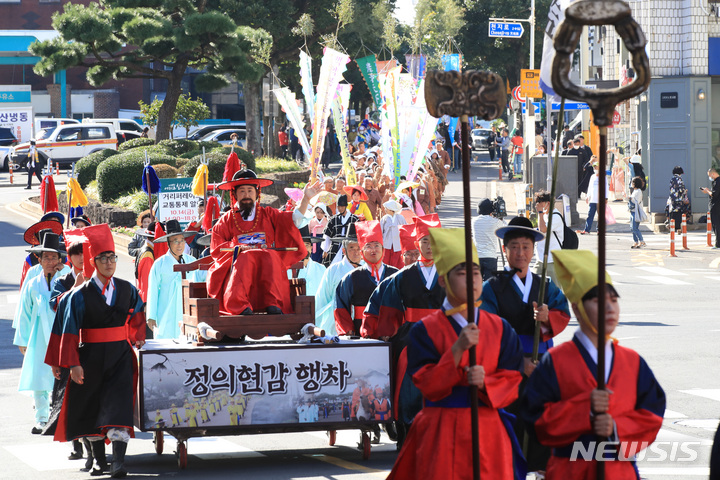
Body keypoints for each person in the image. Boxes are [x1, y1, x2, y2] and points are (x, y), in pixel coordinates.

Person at [388, 227, 525, 480]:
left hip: (488, 429)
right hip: (440, 427)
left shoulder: (500, 328)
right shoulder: (424, 331)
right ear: (443, 280)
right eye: (463, 274)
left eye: (476, 274)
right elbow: (425, 383)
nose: (473, 280)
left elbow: (513, 378)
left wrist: (486, 382)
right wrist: (457, 351)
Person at [521, 250, 666, 479]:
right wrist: (583, 408)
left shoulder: (633, 362)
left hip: (620, 471)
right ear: (577, 309)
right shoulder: (556, 362)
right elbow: (535, 420)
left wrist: (617, 429)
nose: (610, 308)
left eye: (614, 300)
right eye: (599, 301)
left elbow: (652, 414)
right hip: (570, 470)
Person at [44, 224, 146, 478]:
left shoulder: (127, 289)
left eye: (113, 258)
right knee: (91, 406)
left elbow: (138, 314)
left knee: (119, 407)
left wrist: (138, 337)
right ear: (94, 261)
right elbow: (68, 330)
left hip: (121, 356)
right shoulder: (79, 295)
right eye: (104, 259)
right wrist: (72, 364)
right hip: (89, 356)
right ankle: (99, 460)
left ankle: (119, 463)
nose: (110, 263)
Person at [479, 216, 570, 471]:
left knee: (543, 417)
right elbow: (488, 330)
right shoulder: (491, 288)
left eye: (526, 247)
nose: (520, 253)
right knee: (510, 420)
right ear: (505, 250)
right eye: (515, 247)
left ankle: (542, 468)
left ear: (533, 250)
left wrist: (546, 318)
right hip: (506, 365)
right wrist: (518, 362)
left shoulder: (546, 286)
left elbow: (562, 314)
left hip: (541, 362)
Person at [206, 169, 318, 315]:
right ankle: (238, 304)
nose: (246, 195)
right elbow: (217, 248)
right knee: (246, 258)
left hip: (265, 260)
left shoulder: (268, 214)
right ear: (234, 194)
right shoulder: (226, 220)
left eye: (250, 191)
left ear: (257, 193)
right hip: (238, 261)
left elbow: (293, 220)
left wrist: (305, 199)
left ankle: (272, 302)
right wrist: (237, 247)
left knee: (270, 256)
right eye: (242, 191)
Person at [13, 233, 67, 434]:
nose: (50, 262)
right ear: (40, 259)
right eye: (46, 257)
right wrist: (23, 338)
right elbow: (25, 312)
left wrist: (66, 271)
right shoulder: (33, 283)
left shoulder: (66, 277)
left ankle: (58, 415)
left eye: (54, 257)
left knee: (60, 376)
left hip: (60, 334)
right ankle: (42, 418)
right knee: (38, 378)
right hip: (37, 337)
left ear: (60, 259)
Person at [334, 221, 398, 336]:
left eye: (377, 246)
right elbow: (340, 307)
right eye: (368, 246)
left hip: (392, 335)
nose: (373, 250)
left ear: (383, 250)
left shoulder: (395, 275)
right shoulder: (351, 278)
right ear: (362, 252)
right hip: (361, 335)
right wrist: (349, 331)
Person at [146, 219, 199, 339]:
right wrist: (151, 316)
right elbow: (153, 291)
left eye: (182, 240)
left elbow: (203, 278)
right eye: (175, 241)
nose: (180, 244)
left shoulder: (191, 261)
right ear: (168, 243)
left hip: (186, 313)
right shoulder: (159, 264)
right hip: (165, 312)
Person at [315, 227, 364, 335]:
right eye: (352, 248)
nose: (356, 252)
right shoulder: (333, 270)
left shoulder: (368, 269)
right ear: (344, 250)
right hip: (336, 324)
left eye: (359, 248)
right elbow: (321, 300)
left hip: (363, 323)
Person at [534, 190, 564, 286]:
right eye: (537, 203)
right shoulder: (544, 215)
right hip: (540, 259)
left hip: (552, 260)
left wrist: (540, 212)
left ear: (548, 203)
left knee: (554, 290)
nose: (537, 205)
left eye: (540, 203)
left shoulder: (555, 216)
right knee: (534, 288)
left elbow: (543, 229)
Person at [321, 194, 359, 266]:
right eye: (338, 207)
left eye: (342, 206)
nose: (340, 209)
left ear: (346, 206)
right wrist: (325, 250)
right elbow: (327, 235)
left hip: (349, 248)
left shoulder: (354, 219)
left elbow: (359, 236)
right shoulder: (333, 219)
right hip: (335, 247)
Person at [471, 198, 504, 280]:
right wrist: (499, 217)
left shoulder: (474, 221)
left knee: (476, 283)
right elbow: (504, 228)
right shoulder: (495, 222)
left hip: (477, 257)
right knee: (490, 285)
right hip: (491, 257)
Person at [289, 226, 326, 297]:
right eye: (301, 245)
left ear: (311, 248)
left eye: (307, 245)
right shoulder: (288, 270)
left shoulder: (321, 269)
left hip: (318, 307)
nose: (304, 249)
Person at [577, 159, 608, 235]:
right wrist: (588, 196)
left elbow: (606, 188)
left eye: (596, 167)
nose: (595, 169)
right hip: (593, 199)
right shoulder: (593, 177)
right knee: (590, 215)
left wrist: (606, 198)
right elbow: (590, 187)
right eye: (594, 167)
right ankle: (587, 229)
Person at [379, 199, 407, 270]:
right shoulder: (384, 219)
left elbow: (405, 229)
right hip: (387, 244)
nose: (385, 209)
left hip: (397, 244)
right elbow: (380, 231)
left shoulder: (400, 218)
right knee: (386, 261)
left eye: (387, 208)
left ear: (391, 209)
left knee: (397, 262)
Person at [665, 165, 690, 232]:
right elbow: (681, 190)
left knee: (673, 212)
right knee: (679, 213)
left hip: (672, 198)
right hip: (679, 199)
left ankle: (672, 226)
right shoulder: (679, 179)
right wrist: (685, 191)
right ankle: (678, 228)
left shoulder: (672, 179)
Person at [702, 168, 720, 248]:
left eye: (710, 175)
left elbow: (714, 194)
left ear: (713, 174)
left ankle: (718, 244)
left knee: (716, 225)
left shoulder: (717, 182)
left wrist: (707, 191)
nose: (710, 177)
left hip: (716, 207)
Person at [629, 176, 648, 248]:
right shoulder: (635, 191)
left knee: (635, 228)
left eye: (632, 182)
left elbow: (635, 201)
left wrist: (630, 198)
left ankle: (642, 241)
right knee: (632, 227)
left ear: (635, 183)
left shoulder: (638, 191)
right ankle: (636, 241)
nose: (631, 183)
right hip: (633, 211)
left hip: (636, 212)